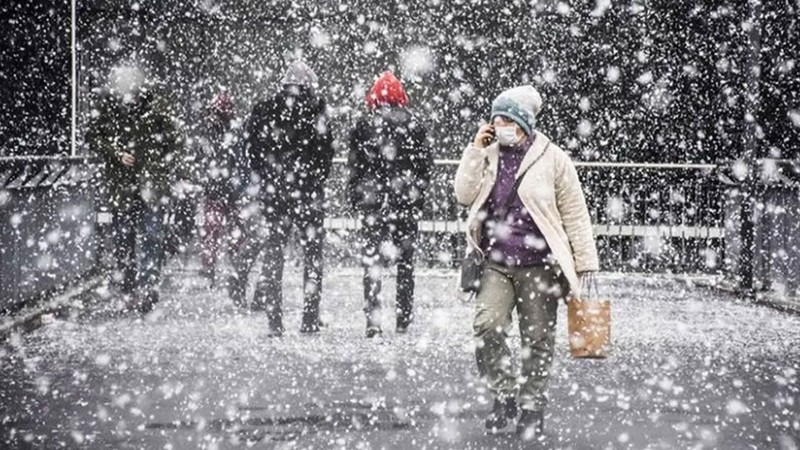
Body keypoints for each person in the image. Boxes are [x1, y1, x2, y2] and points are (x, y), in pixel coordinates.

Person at [453, 85, 599, 438]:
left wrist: (585, 263)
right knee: (487, 326)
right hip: (496, 262)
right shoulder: (488, 154)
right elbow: (463, 193)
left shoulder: (553, 158)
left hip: (539, 265)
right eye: (495, 119)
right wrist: (475, 149)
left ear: (523, 121)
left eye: (506, 119)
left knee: (537, 339)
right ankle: (504, 394)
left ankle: (532, 407)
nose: (500, 125)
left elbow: (575, 213)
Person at [234, 61, 334, 335]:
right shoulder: (317, 111)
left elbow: (251, 149)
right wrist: (311, 180)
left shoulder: (265, 110)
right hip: (307, 193)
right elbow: (325, 154)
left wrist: (267, 178)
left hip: (274, 193)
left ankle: (274, 320)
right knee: (312, 255)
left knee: (274, 252)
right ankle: (309, 318)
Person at [347, 71, 433, 337]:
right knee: (405, 264)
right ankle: (403, 318)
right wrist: (417, 195)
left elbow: (355, 166)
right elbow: (424, 167)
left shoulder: (364, 125)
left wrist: (356, 196)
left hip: (374, 204)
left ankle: (373, 320)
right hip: (405, 202)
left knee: (372, 263)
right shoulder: (415, 125)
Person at [89, 65, 180, 314]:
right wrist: (116, 153)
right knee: (123, 240)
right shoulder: (108, 109)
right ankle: (131, 287)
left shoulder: (157, 108)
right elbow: (93, 136)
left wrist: (157, 163)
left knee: (151, 237)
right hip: (123, 186)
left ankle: (147, 287)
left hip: (149, 184)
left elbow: (174, 140)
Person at [196, 92, 243, 286]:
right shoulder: (231, 131)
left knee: (213, 231)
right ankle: (232, 264)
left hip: (220, 189)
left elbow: (203, 158)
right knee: (224, 231)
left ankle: (213, 267)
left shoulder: (211, 132)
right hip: (225, 189)